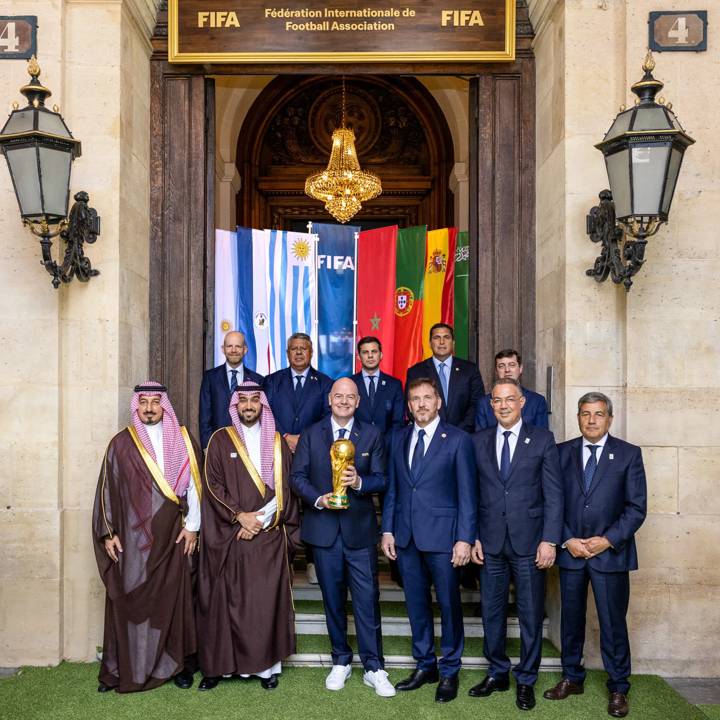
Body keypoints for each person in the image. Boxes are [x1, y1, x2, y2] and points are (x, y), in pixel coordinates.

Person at [92, 382, 202, 693]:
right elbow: (106, 489)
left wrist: (193, 526)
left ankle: (177, 665)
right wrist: (108, 533)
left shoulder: (181, 439)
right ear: (136, 407)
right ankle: (124, 667)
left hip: (174, 537)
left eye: (156, 402)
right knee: (131, 599)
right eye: (144, 403)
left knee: (175, 602)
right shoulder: (121, 444)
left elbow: (194, 487)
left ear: (164, 405)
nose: (150, 408)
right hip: (132, 540)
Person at [543, 392, 646, 719]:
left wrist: (607, 540)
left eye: (598, 414)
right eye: (585, 414)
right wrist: (566, 539)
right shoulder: (561, 454)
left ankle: (618, 686)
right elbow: (551, 502)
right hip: (572, 553)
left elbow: (636, 508)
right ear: (578, 417)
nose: (591, 420)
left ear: (609, 418)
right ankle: (572, 677)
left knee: (612, 623)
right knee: (570, 619)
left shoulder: (629, 455)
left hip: (610, 555)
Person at [290, 378, 395, 697]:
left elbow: (383, 479)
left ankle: (375, 667)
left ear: (359, 401)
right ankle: (341, 660)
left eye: (351, 397)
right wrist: (319, 499)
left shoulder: (372, 434)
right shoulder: (311, 433)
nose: (344, 401)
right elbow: (297, 477)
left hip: (359, 533)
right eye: (339, 396)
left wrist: (361, 481)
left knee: (367, 601)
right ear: (329, 399)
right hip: (323, 532)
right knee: (333, 601)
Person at [196, 381, 299, 691]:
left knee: (263, 604)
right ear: (235, 406)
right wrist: (239, 516)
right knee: (223, 602)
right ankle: (221, 668)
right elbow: (212, 485)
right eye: (243, 401)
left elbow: (285, 489)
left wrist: (259, 520)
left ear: (263, 405)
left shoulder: (278, 443)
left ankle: (266, 669)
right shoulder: (219, 439)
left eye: (255, 400)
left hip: (266, 537)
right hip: (230, 535)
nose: (249, 406)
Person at [469, 378, 563, 711]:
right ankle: (497, 672)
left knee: (530, 614)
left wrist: (550, 540)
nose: (504, 405)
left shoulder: (542, 440)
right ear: (490, 405)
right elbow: (472, 495)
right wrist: (474, 535)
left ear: (522, 402)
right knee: (492, 613)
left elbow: (554, 494)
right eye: (497, 400)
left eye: (510, 399)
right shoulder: (478, 441)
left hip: (529, 543)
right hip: (490, 543)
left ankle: (526, 679)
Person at [381, 377, 477, 704]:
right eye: (415, 399)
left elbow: (468, 495)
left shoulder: (459, 440)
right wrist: (388, 529)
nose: (421, 404)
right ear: (408, 406)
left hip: (444, 538)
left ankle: (449, 670)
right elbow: (394, 488)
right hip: (406, 537)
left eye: (427, 398)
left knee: (449, 605)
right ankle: (425, 665)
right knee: (416, 605)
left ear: (438, 402)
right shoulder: (398, 438)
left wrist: (465, 539)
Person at [264, 332, 333, 584]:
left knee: (314, 508)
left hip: (314, 455)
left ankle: (314, 562)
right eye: (294, 349)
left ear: (311, 352)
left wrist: (301, 439)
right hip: (276, 452)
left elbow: (328, 418)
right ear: (287, 353)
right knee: (282, 505)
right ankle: (285, 560)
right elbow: (265, 415)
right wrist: (284, 437)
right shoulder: (271, 382)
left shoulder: (325, 383)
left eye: (304, 348)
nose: (299, 352)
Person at [405, 323, 484, 433]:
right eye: (437, 338)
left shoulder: (470, 370)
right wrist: (434, 431)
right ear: (430, 343)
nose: (442, 342)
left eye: (446, 337)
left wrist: (459, 431)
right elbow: (411, 406)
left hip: (464, 435)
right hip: (430, 437)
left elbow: (477, 404)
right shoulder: (416, 372)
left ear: (453, 342)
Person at [199, 330, 264, 448]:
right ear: (223, 349)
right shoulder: (210, 378)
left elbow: (262, 416)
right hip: (218, 445)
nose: (233, 350)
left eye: (238, 346)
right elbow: (205, 417)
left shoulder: (258, 380)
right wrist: (207, 447)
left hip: (249, 445)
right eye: (229, 346)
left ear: (245, 350)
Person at [475, 349, 549, 430]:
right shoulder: (484, 403)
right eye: (501, 366)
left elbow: (542, 437)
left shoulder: (537, 401)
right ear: (496, 371)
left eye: (512, 365)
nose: (507, 370)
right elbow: (480, 439)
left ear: (520, 368)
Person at [351, 335, 404, 436]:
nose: (370, 356)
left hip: (386, 447)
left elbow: (398, 423)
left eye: (374, 351)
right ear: (358, 357)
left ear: (381, 355)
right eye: (365, 352)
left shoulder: (394, 385)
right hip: (356, 445)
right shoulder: (350, 383)